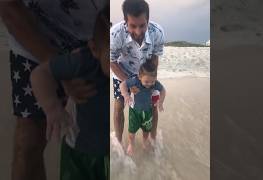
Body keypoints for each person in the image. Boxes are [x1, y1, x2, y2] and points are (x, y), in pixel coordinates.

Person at [0, 1, 106, 179]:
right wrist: (52, 104)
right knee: (28, 142)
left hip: (102, 36)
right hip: (35, 30)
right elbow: (8, 7)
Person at [30, 10, 109, 180]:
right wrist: (52, 108)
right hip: (79, 153)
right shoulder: (83, 61)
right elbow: (40, 74)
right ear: (95, 49)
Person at [110, 0, 165, 143]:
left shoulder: (157, 32)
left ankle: (152, 141)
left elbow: (154, 59)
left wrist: (150, 81)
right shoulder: (115, 34)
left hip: (147, 74)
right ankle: (119, 143)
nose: (138, 32)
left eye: (142, 25)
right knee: (118, 106)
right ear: (125, 22)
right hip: (122, 72)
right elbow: (111, 61)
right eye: (133, 26)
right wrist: (128, 84)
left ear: (148, 20)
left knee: (153, 106)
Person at [120, 60, 166, 156]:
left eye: (152, 81)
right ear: (140, 77)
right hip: (135, 112)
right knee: (132, 132)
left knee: (146, 130)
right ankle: (131, 144)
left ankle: (145, 141)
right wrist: (126, 95)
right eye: (146, 81)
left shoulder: (155, 83)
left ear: (155, 78)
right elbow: (123, 84)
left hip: (147, 111)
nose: (149, 84)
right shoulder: (135, 81)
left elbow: (163, 90)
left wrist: (160, 102)